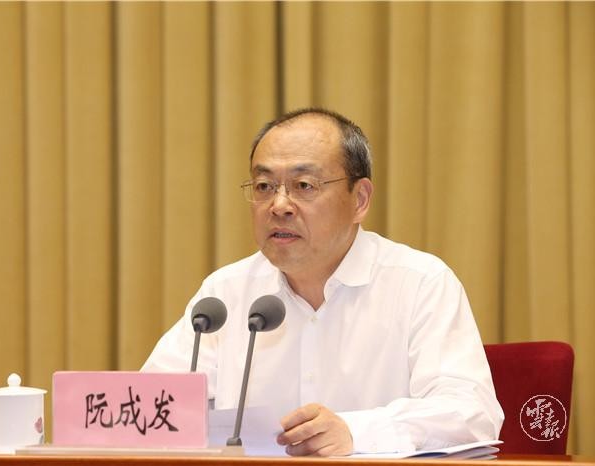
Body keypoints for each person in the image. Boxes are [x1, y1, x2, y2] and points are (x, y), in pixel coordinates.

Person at [141, 108, 504, 456]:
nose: (279, 205)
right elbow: (148, 411)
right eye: (264, 186)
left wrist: (355, 433)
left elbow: (471, 413)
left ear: (359, 200)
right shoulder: (225, 293)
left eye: (304, 185)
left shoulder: (420, 284)